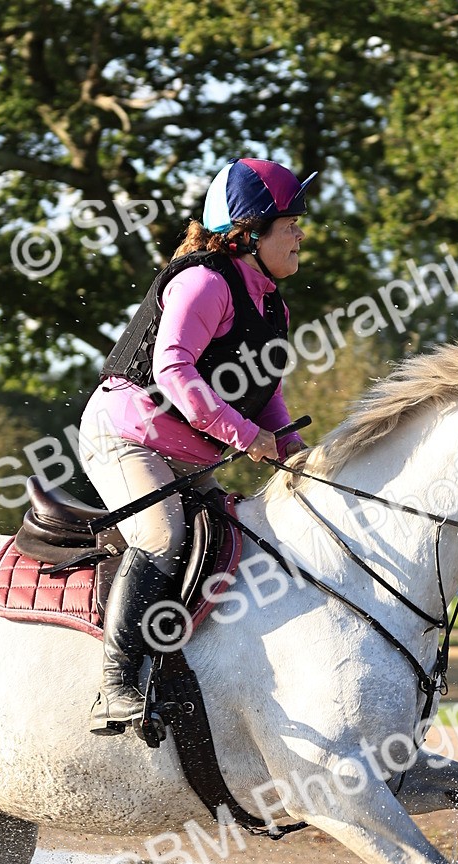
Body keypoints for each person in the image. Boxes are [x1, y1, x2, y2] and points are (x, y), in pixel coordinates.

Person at [79, 157, 316, 734]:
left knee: (241, 539)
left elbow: (266, 393)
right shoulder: (203, 282)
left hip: (188, 451)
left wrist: (295, 450)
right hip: (126, 435)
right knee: (163, 536)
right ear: (250, 231)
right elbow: (172, 371)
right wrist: (247, 438)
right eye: (291, 223)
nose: (301, 234)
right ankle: (114, 684)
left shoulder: (272, 304)